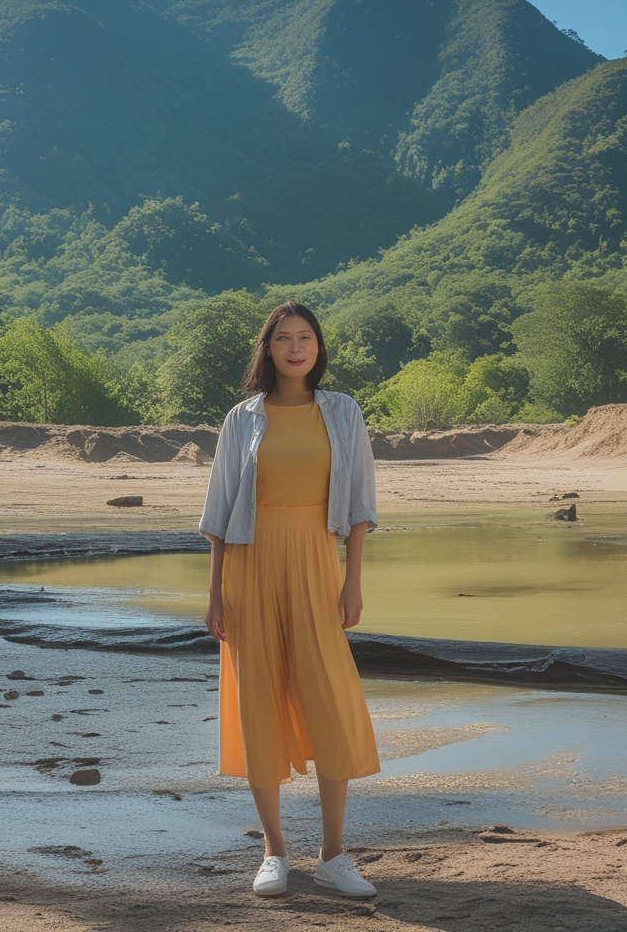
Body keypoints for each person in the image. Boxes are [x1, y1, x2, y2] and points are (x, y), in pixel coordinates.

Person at [199, 300, 381, 898]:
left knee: (329, 696)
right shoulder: (242, 419)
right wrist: (215, 594)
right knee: (258, 699)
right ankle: (275, 851)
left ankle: (333, 854)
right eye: (284, 338)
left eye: (306, 338)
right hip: (249, 567)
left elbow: (358, 507)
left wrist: (352, 580)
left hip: (312, 558)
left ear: (318, 348)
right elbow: (220, 515)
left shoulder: (344, 413)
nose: (296, 347)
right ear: (268, 349)